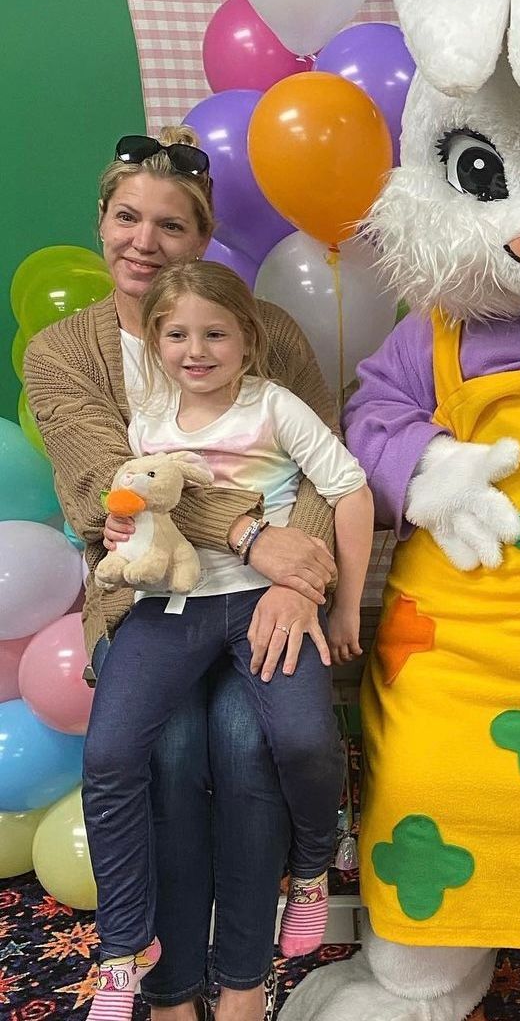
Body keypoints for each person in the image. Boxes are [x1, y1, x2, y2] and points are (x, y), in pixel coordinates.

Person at [24, 129, 342, 1021]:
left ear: (200, 239)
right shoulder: (62, 353)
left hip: (264, 603)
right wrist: (248, 532)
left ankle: (241, 984)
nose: (144, 242)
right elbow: (106, 490)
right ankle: (167, 993)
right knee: (162, 752)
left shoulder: (264, 331)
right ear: (101, 220)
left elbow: (325, 466)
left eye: (170, 225)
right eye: (127, 217)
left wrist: (295, 578)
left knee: (247, 746)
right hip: (144, 604)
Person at [79, 258, 374, 1021]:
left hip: (261, 608)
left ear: (247, 339)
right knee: (110, 756)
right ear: (155, 342)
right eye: (176, 335)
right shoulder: (147, 423)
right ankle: (124, 950)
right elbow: (135, 512)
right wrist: (122, 529)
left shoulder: (273, 405)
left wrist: (344, 607)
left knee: (302, 741)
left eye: (214, 334)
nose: (196, 350)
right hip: (172, 608)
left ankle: (312, 868)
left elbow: (349, 489)